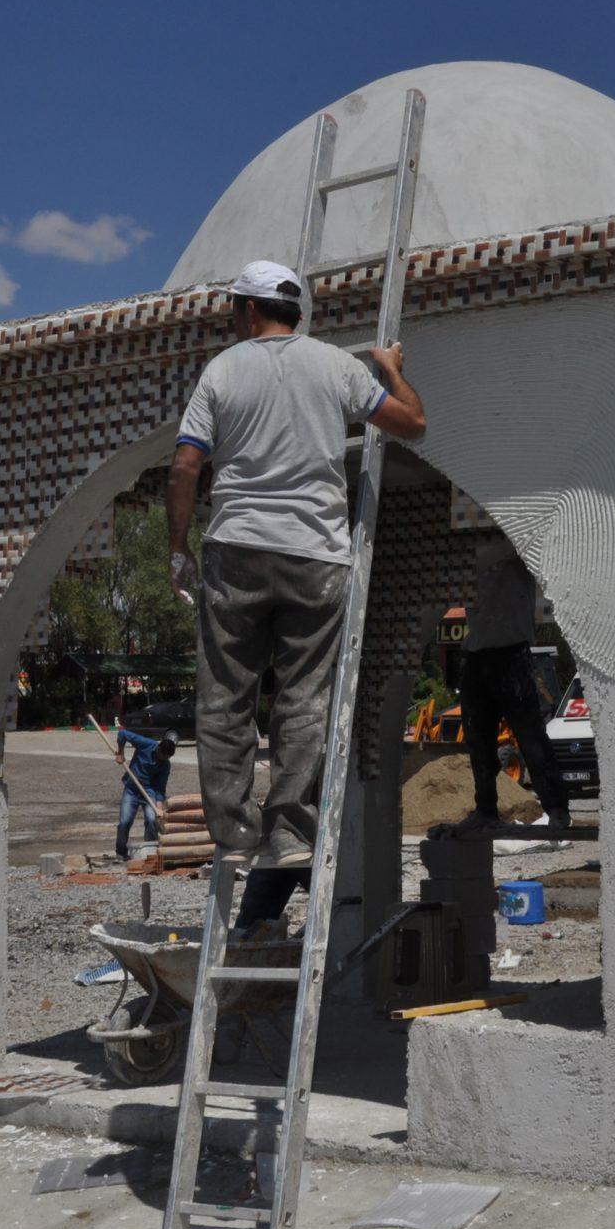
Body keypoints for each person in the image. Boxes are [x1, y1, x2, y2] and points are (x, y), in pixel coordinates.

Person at [166, 260, 427, 868]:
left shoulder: (222, 370)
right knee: (304, 698)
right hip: (316, 553)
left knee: (226, 696)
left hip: (236, 552)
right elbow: (412, 423)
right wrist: (390, 371)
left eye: (235, 308)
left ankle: (233, 835)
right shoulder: (336, 365)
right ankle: (288, 834)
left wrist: (178, 547)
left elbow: (185, 467)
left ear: (251, 310)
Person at [450, 535, 572, 835]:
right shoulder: (470, 550)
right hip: (477, 654)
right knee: (479, 742)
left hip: (511, 651)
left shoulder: (517, 541)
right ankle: (486, 809)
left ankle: (556, 808)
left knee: (531, 736)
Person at [113, 726, 175, 860]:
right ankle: (121, 852)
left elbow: (160, 788)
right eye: (163, 756)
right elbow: (122, 733)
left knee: (152, 819)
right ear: (159, 749)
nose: (163, 760)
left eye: (167, 758)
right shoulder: (146, 744)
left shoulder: (165, 765)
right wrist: (121, 753)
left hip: (149, 791)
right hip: (132, 788)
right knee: (125, 821)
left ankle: (150, 852)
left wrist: (159, 807)